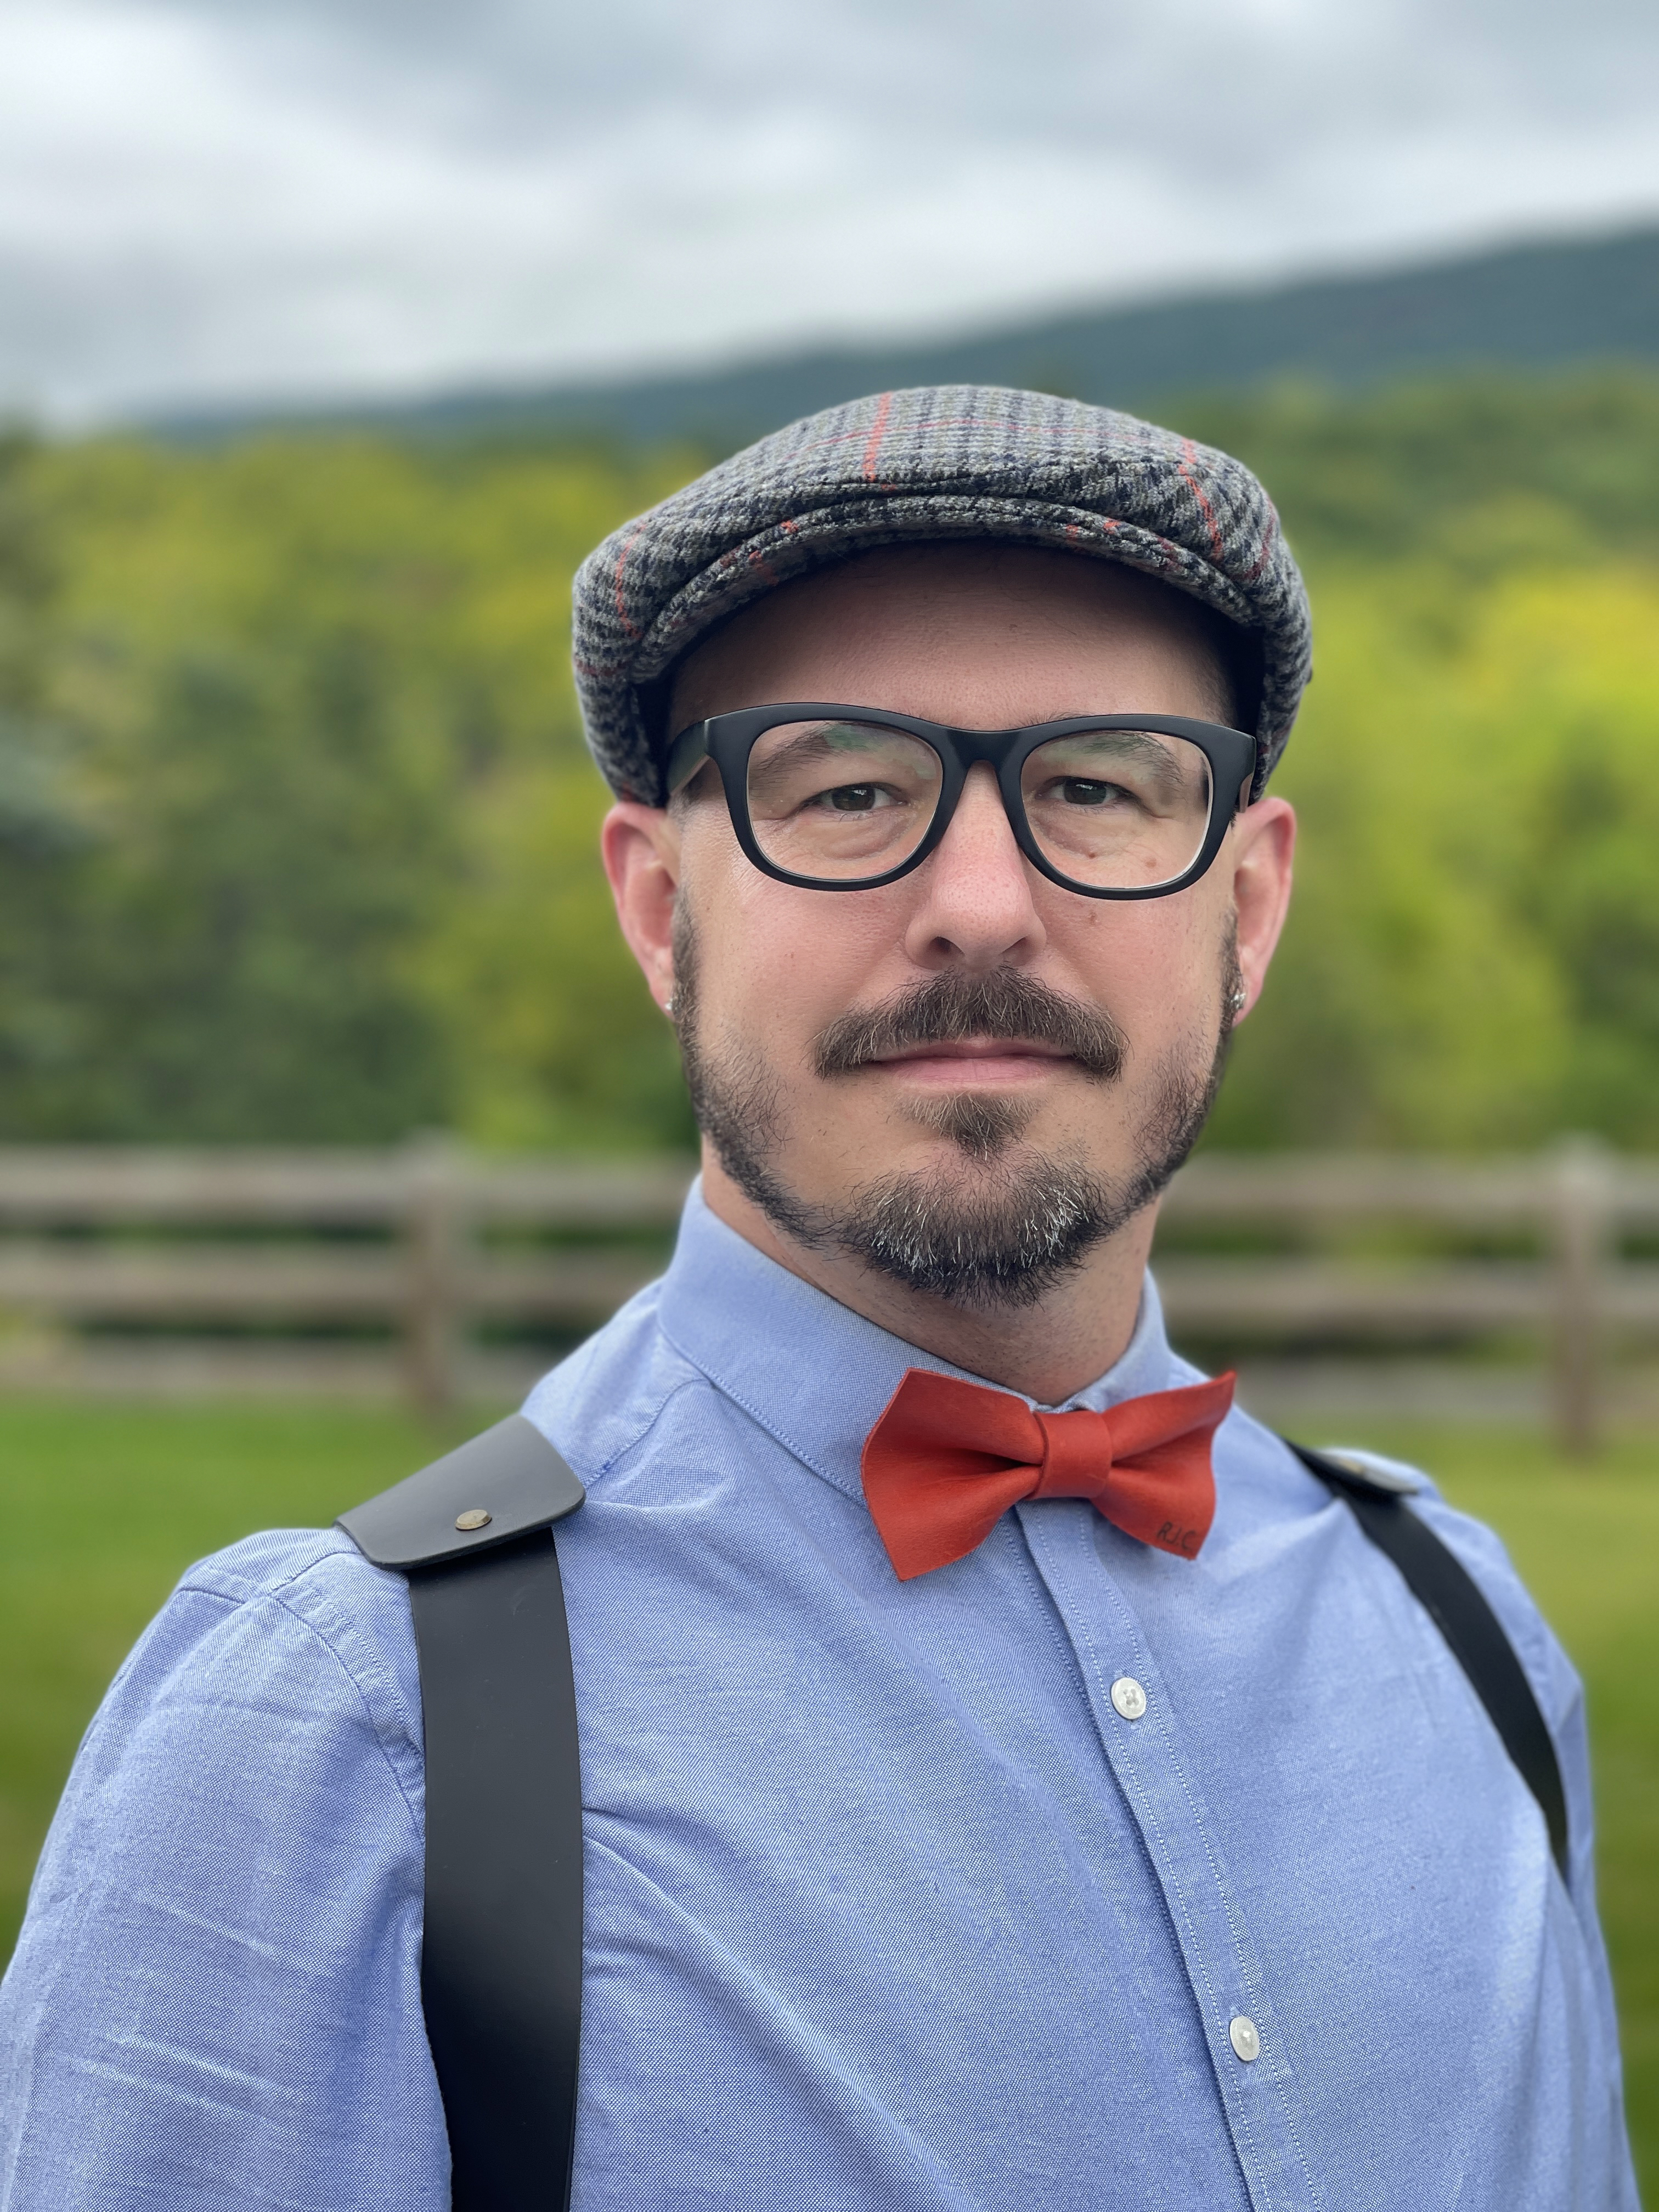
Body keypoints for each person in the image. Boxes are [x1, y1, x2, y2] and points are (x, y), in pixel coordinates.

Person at [0, 386, 1635, 2210]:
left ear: (1245, 909)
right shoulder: (344, 1733)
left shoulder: (1465, 1642)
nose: (983, 905)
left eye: (1098, 785)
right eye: (847, 789)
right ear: (656, 911)